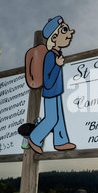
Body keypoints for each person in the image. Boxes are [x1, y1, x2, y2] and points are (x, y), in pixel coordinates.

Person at [28, 16, 76, 153]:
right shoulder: (50, 56)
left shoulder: (57, 53)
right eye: (64, 30)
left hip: (56, 91)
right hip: (50, 92)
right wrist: (57, 65)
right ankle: (35, 137)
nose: (70, 33)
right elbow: (48, 81)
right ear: (54, 37)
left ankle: (61, 141)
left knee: (59, 117)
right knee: (52, 118)